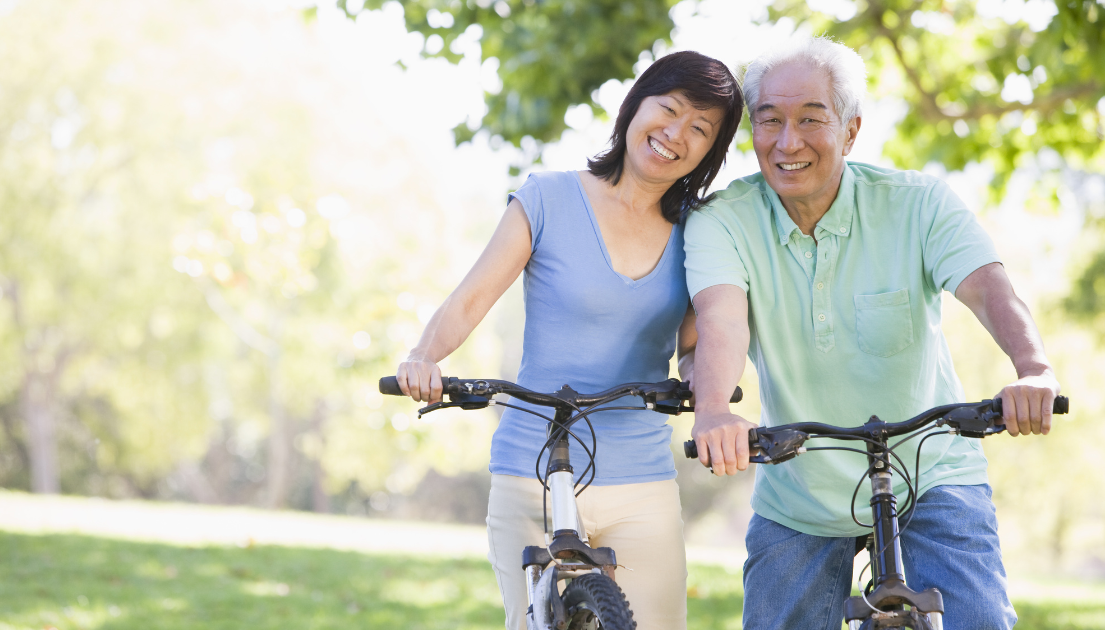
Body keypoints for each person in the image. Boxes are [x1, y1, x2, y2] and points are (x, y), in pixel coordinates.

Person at [683, 37, 1060, 630]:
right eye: (770, 121)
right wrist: (712, 410)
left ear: (851, 130)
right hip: (799, 488)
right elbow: (721, 320)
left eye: (812, 119)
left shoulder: (917, 203)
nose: (788, 142)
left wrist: (1033, 368)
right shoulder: (722, 220)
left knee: (981, 620)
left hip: (930, 472)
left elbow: (990, 290)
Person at [395, 51, 744, 630]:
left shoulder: (699, 232)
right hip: (531, 464)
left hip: (640, 474)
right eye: (669, 109)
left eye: (700, 128)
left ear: (710, 151)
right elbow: (471, 298)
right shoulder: (548, 197)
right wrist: (424, 358)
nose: (676, 134)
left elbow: (692, 342)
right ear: (636, 106)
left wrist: (707, 385)